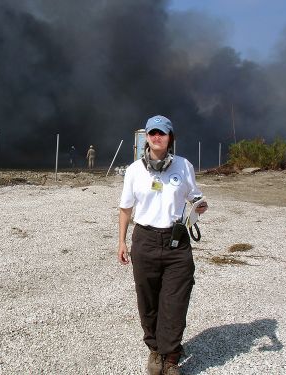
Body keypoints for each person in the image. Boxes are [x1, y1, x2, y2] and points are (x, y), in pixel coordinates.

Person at [117, 115, 208, 375]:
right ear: (146, 137)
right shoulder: (135, 170)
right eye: (152, 133)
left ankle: (171, 357)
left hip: (176, 243)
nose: (157, 137)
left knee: (175, 300)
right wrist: (121, 241)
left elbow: (196, 198)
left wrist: (200, 207)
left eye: (162, 133)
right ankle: (155, 350)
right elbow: (125, 209)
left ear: (170, 138)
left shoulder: (183, 166)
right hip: (144, 240)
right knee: (147, 300)